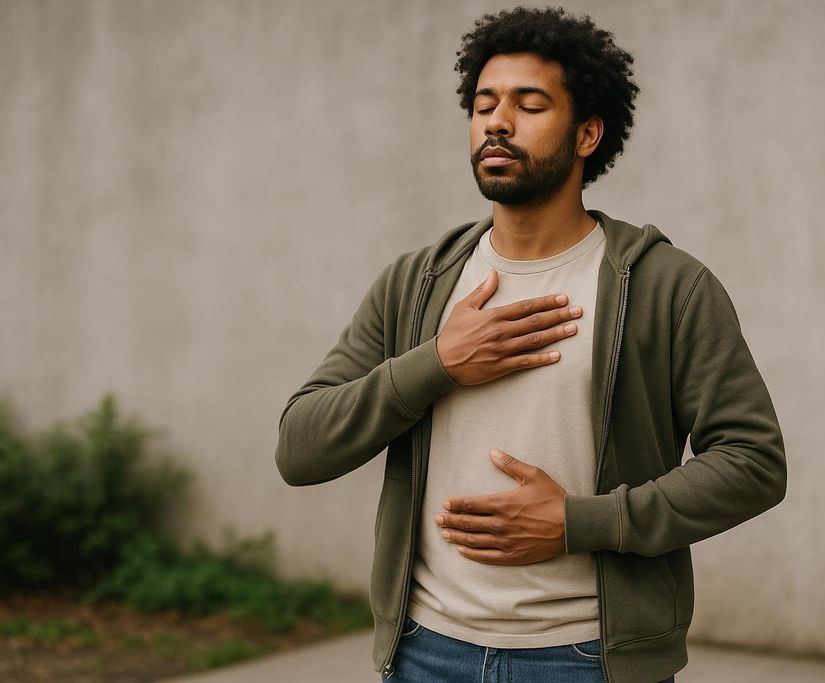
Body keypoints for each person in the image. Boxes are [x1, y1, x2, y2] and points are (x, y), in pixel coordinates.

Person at [275, 6, 786, 683]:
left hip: (589, 659)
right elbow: (300, 447)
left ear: (587, 133)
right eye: (484, 103)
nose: (497, 121)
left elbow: (753, 462)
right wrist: (437, 363)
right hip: (426, 651)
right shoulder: (415, 283)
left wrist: (580, 521)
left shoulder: (668, 286)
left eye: (529, 103)